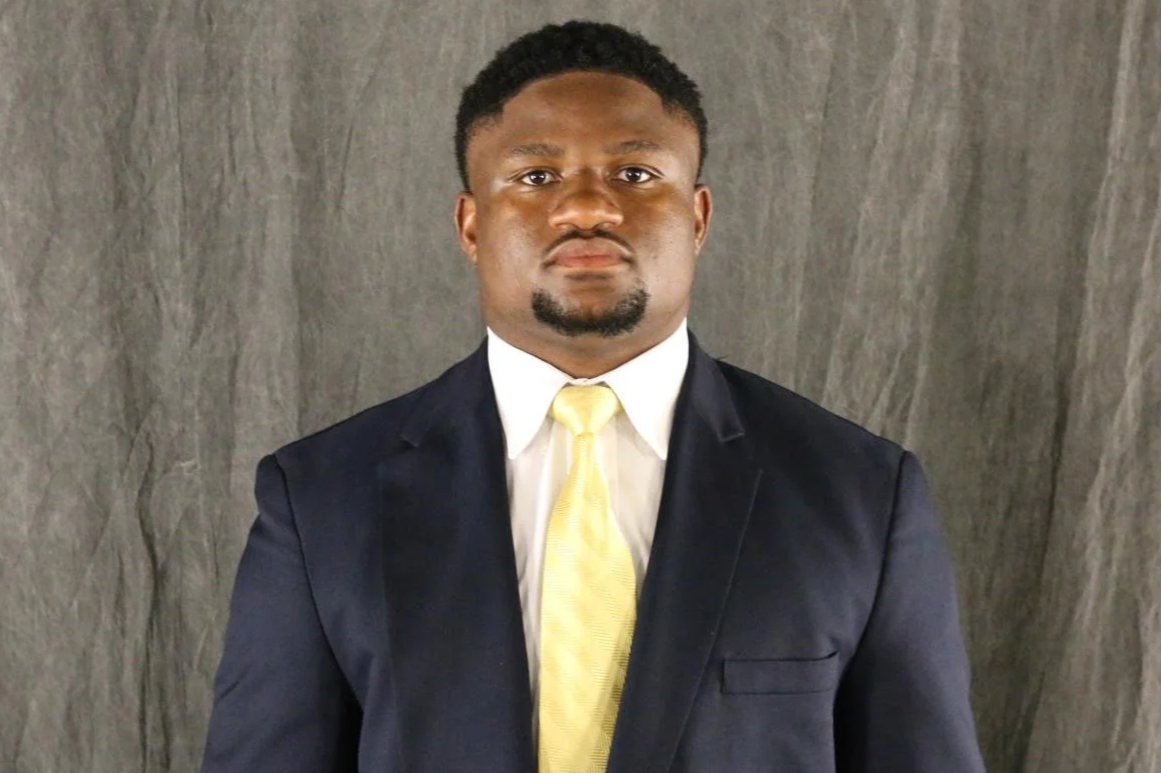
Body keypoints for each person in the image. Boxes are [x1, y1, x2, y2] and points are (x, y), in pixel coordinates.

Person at [201, 20, 986, 773]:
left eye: (635, 174)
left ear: (698, 215)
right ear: (471, 224)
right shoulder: (320, 500)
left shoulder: (859, 494)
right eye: (536, 176)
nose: (586, 208)